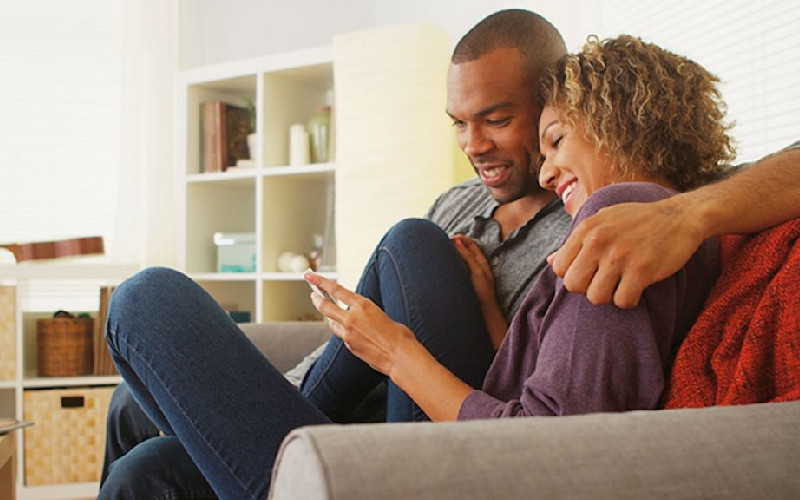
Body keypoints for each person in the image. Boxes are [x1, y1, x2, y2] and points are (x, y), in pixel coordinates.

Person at [101, 33, 732, 498]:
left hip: (434, 469)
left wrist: (396, 351)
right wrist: (484, 307)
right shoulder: (622, 226)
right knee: (144, 470)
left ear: (619, 125)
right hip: (425, 443)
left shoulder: (626, 223)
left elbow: (539, 442)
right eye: (459, 123)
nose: (544, 169)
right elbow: (541, 387)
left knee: (144, 301)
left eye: (555, 140)